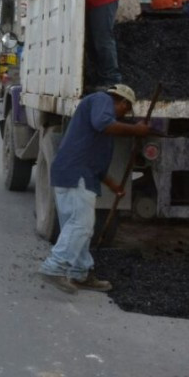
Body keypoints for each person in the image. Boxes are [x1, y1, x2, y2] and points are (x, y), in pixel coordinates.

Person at [38, 84, 152, 294]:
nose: (123, 115)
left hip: (72, 172)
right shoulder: (102, 100)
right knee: (81, 224)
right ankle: (54, 267)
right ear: (122, 101)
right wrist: (136, 130)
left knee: (78, 226)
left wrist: (115, 187)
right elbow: (103, 123)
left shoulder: (99, 129)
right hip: (76, 173)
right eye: (126, 110)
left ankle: (80, 272)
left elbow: (97, 168)